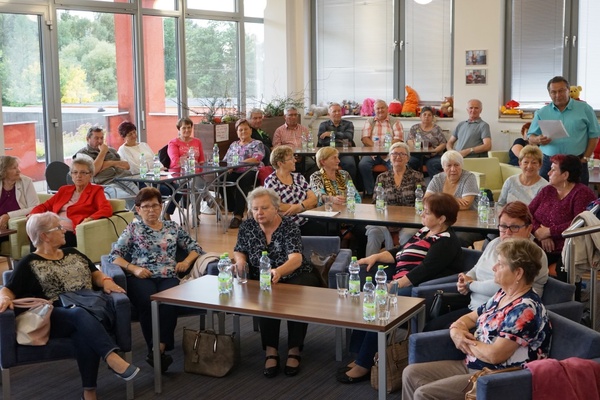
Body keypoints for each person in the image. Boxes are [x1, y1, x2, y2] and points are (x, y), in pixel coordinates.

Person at [0, 212, 139, 400]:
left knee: (83, 331)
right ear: (44, 236)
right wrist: (3, 298)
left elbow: (95, 273)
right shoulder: (28, 263)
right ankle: (111, 356)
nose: (64, 230)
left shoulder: (73, 252)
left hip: (91, 309)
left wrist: (105, 281)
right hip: (56, 316)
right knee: (78, 314)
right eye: (58, 227)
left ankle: (89, 393)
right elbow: (8, 289)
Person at [402, 238, 552, 400]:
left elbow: (494, 355)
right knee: (411, 373)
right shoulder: (502, 294)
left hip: (494, 378)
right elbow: (471, 317)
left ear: (518, 273)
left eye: (500, 264)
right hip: (473, 363)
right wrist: (456, 329)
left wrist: (463, 341)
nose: (494, 267)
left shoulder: (525, 309)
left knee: (424, 394)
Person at [338, 193, 462, 383]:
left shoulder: (446, 241)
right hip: (402, 280)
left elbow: (423, 271)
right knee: (367, 295)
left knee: (381, 302)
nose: (422, 214)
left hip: (421, 289)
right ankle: (359, 354)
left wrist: (392, 286)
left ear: (441, 218)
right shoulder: (425, 231)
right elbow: (401, 251)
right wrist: (375, 257)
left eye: (427, 212)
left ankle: (364, 363)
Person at [109, 187, 203, 372]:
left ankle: (157, 349)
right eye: (146, 206)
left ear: (161, 207)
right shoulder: (133, 228)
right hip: (141, 276)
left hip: (168, 275)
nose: (151, 210)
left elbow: (196, 248)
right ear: (138, 209)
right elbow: (114, 256)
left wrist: (185, 261)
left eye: (155, 205)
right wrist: (134, 269)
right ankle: (157, 351)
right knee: (148, 301)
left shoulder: (172, 227)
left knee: (169, 302)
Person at [233, 187, 321, 378]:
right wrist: (240, 261)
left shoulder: (289, 226)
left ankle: (294, 349)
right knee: (265, 294)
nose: (259, 212)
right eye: (255, 209)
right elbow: (239, 249)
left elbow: (296, 259)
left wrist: (278, 271)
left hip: (295, 273)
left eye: (264, 208)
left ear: (276, 208)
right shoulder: (247, 226)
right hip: (262, 275)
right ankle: (271, 350)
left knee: (297, 294)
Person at [424, 201, 549, 331]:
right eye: (503, 226)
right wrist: (466, 278)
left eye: (514, 227)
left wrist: (470, 285)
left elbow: (501, 287)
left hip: (502, 315)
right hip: (475, 308)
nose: (507, 232)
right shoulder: (495, 243)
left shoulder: (532, 254)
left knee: (439, 331)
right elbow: (477, 268)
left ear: (528, 229)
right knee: (431, 326)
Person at [529, 154, 596, 279]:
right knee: (522, 265)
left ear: (565, 175)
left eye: (553, 170)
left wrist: (549, 231)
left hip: (569, 250)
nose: (548, 173)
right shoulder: (547, 190)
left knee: (560, 275)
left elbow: (580, 223)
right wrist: (539, 232)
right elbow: (527, 213)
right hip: (539, 246)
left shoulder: (581, 193)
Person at [527, 76, 600, 184]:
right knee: (546, 193)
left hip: (576, 161)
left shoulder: (585, 109)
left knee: (579, 193)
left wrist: (585, 158)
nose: (558, 95)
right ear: (549, 93)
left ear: (568, 90)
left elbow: (594, 135)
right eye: (553, 92)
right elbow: (530, 136)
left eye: (561, 91)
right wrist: (538, 139)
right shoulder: (541, 112)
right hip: (549, 162)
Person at [29, 157, 113, 248]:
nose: (78, 176)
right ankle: (37, 258)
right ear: (71, 175)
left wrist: (89, 219)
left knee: (43, 239)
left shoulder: (96, 191)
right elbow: (45, 206)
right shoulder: (64, 190)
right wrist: (33, 215)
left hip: (70, 232)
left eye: (83, 172)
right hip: (53, 228)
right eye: (75, 172)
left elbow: (106, 209)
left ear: (90, 175)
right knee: (37, 235)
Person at [365, 142, 425, 256]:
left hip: (409, 221)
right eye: (395, 153)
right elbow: (375, 202)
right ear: (390, 157)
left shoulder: (417, 176)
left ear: (408, 158)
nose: (398, 156)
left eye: (402, 154)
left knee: (408, 235)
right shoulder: (382, 177)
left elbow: (422, 202)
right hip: (386, 219)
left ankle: (403, 263)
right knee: (373, 232)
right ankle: (369, 264)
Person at [309, 147, 366, 257]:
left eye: (338, 158)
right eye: (334, 158)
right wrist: (332, 199)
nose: (338, 161)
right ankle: (334, 260)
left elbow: (356, 196)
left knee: (364, 231)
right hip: (328, 216)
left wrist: (352, 205)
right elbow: (319, 196)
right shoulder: (316, 176)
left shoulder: (344, 174)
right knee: (331, 229)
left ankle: (360, 260)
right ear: (323, 161)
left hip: (349, 215)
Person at [116, 121, 179, 219]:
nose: (133, 136)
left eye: (134, 132)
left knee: (178, 188)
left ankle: (167, 213)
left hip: (156, 176)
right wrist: (152, 169)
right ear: (123, 137)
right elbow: (134, 168)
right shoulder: (123, 150)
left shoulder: (144, 145)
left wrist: (160, 167)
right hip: (141, 180)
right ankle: (157, 217)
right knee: (165, 191)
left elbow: (155, 159)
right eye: (130, 134)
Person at [425, 150, 480, 248]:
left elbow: (466, 205)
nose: (453, 169)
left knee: (455, 239)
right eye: (449, 165)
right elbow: (426, 201)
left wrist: (438, 202)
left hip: (467, 224)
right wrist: (453, 199)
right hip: (442, 222)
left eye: (456, 165)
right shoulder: (437, 178)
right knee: (426, 236)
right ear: (443, 167)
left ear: (461, 165)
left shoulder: (469, 177)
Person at [264, 145, 322, 236]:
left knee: (325, 230)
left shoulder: (298, 177)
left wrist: (300, 207)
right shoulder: (271, 181)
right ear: (280, 163)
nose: (295, 160)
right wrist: (306, 206)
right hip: (285, 225)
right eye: (291, 158)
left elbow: (314, 199)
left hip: (306, 219)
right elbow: (277, 206)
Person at [74, 126, 139, 204]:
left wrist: (109, 163)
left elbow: (126, 166)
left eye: (102, 138)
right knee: (127, 199)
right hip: (107, 184)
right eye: (96, 138)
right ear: (88, 139)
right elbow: (93, 171)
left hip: (125, 180)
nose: (100, 141)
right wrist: (103, 152)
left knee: (143, 197)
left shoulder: (111, 150)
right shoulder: (82, 154)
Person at [167, 117, 214, 215]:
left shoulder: (197, 141)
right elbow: (176, 161)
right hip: (179, 175)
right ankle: (207, 198)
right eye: (184, 128)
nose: (187, 130)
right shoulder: (173, 143)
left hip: (195, 174)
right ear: (179, 129)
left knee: (194, 182)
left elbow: (201, 160)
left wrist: (185, 159)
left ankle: (195, 216)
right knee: (194, 180)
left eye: (189, 127)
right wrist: (189, 160)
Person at [223, 118, 265, 229]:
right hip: (235, 170)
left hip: (251, 170)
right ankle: (232, 206)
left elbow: (256, 159)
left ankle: (237, 216)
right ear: (237, 132)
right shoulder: (233, 145)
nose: (243, 132)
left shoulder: (257, 143)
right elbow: (226, 160)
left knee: (242, 181)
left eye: (246, 129)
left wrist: (238, 163)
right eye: (240, 130)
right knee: (221, 179)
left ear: (250, 130)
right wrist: (230, 167)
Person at [358, 100, 404, 196]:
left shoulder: (395, 121)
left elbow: (398, 139)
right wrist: (377, 149)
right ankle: (371, 192)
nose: (380, 110)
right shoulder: (369, 121)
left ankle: (392, 192)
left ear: (387, 108)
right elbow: (365, 139)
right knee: (363, 165)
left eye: (382, 108)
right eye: (377, 108)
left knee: (396, 166)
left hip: (390, 153)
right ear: (374, 110)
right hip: (372, 153)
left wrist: (386, 150)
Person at [273, 106, 316, 178]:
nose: (294, 117)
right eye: (291, 115)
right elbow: (277, 148)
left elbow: (311, 144)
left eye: (295, 115)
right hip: (287, 157)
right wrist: (291, 156)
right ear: (285, 117)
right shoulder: (279, 131)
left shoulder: (304, 129)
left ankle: (305, 180)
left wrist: (302, 154)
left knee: (314, 164)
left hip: (304, 156)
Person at [317, 102, 357, 180]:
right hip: (328, 154)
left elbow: (349, 137)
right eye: (334, 111)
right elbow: (322, 141)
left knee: (350, 164)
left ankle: (350, 185)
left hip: (345, 152)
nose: (337, 113)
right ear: (329, 114)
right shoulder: (323, 125)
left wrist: (331, 134)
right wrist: (341, 139)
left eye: (339, 111)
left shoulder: (348, 124)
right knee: (321, 164)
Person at [0, 156, 39, 233]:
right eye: (13, 168)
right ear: (3, 171)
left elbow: (34, 207)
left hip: (16, 223)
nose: (18, 170)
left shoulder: (26, 182)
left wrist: (8, 216)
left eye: (17, 167)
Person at [406, 106, 447, 177]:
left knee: (432, 164)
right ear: (420, 117)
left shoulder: (437, 129)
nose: (426, 117)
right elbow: (409, 140)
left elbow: (443, 143)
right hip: (417, 155)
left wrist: (435, 151)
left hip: (434, 156)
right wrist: (415, 146)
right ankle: (413, 182)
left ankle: (435, 184)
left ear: (432, 118)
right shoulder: (414, 128)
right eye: (424, 114)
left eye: (429, 115)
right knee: (410, 162)